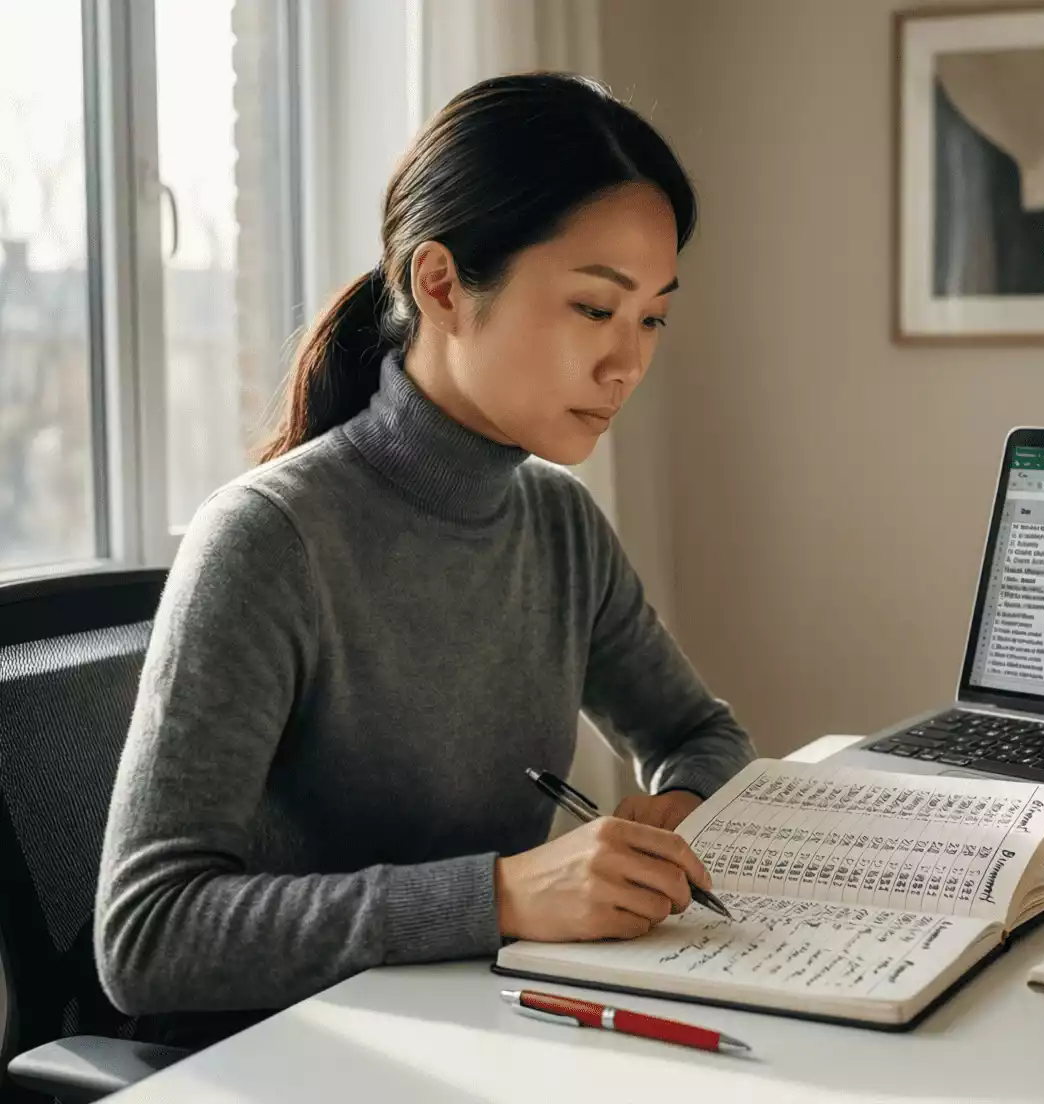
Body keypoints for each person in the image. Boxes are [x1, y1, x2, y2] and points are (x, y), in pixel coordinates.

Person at [94, 74, 755, 1040]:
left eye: (650, 317)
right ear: (440, 284)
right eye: (590, 309)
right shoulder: (268, 539)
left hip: (484, 1030)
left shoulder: (559, 525)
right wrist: (501, 897)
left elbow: (702, 735)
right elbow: (145, 936)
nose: (628, 364)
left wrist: (674, 812)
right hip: (291, 1058)